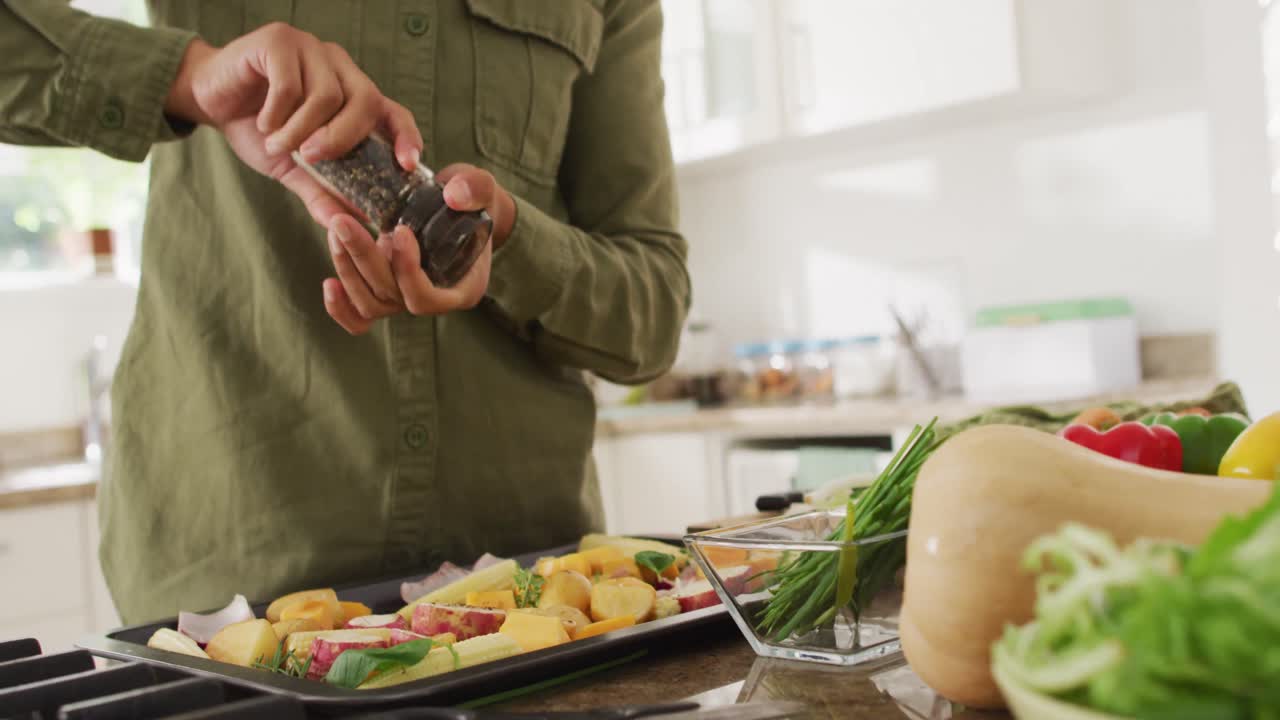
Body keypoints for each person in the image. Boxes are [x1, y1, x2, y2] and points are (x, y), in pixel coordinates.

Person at [0, 0, 689, 623]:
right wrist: (190, 77)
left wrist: (507, 241)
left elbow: (652, 310)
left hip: (531, 601)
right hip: (229, 602)